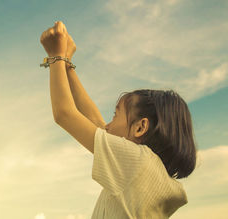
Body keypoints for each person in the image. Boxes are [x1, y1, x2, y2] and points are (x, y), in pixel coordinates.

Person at [39, 21, 197, 219]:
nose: (107, 124)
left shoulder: (137, 163)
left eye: (116, 115)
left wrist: (56, 56)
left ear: (140, 127)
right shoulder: (148, 173)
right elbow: (97, 124)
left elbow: (64, 114)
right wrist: (68, 66)